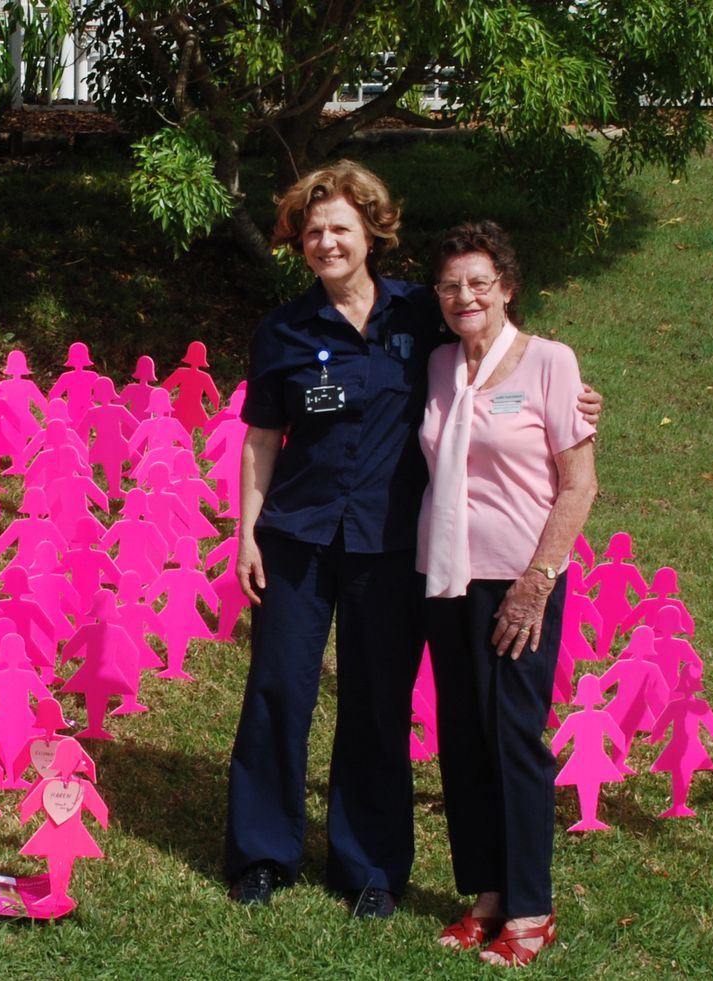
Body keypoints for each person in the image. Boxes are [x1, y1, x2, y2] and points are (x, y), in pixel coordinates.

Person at [221, 162, 598, 918]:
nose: (326, 242)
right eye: (313, 231)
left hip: (389, 544)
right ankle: (263, 852)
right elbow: (262, 439)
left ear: (370, 233)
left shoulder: (419, 314)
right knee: (276, 692)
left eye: (340, 228)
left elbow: (494, 354)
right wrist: (246, 532)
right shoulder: (284, 330)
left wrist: (576, 397)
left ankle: (369, 867)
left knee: (376, 701)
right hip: (296, 536)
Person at [417, 221, 596, 967]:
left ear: (507, 288)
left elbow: (579, 484)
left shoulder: (551, 363)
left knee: (514, 736)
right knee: (462, 738)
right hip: (445, 577)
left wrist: (536, 582)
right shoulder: (436, 366)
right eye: (452, 285)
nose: (466, 296)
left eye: (479, 282)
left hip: (518, 580)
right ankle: (486, 892)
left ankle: (530, 905)